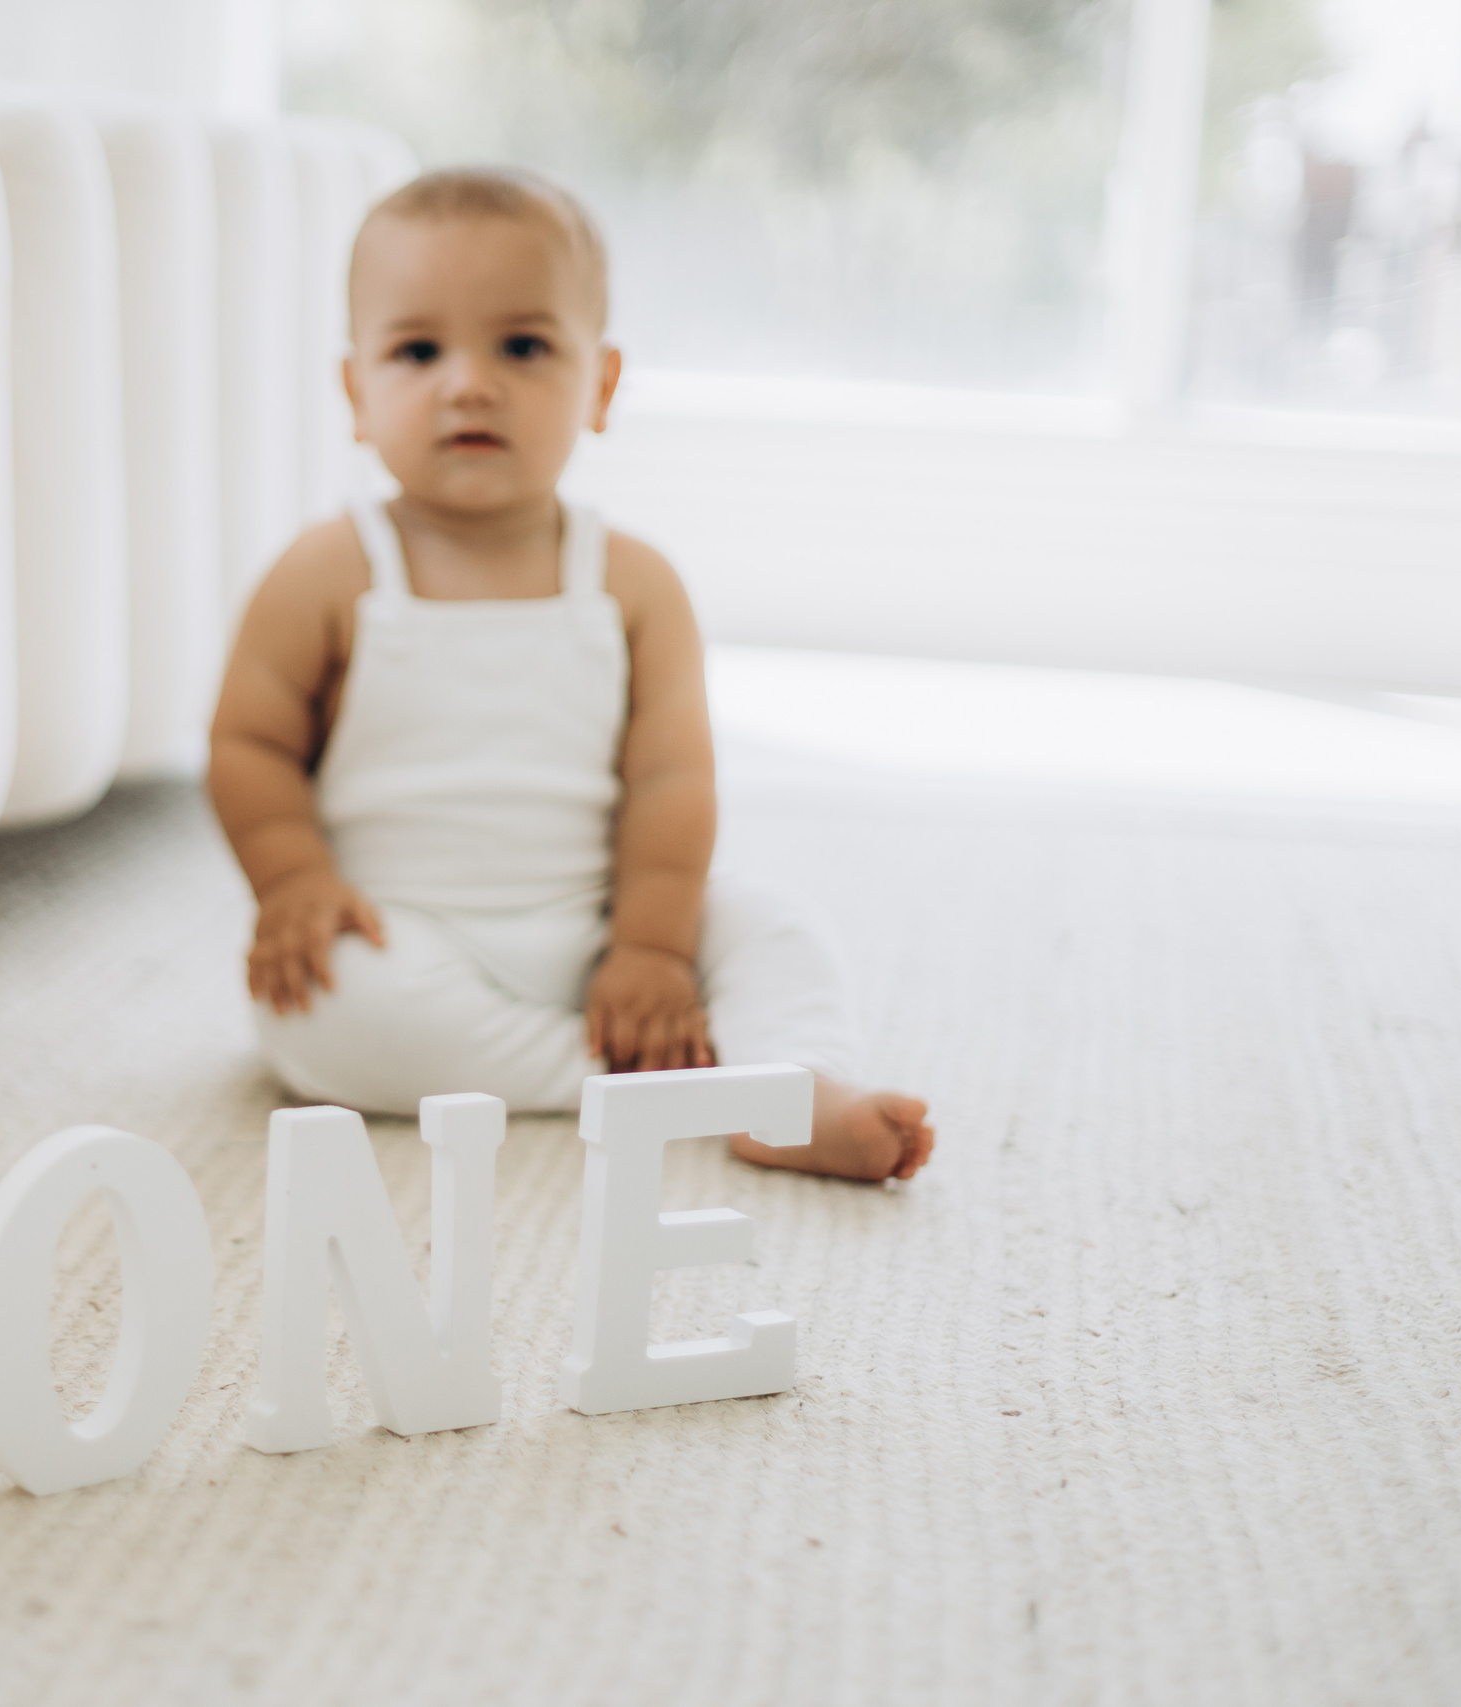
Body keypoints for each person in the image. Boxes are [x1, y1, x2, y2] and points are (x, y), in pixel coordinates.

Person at [206, 167, 934, 1181]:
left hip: (607, 921)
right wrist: (293, 880)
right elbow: (249, 745)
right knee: (328, 1014)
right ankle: (688, 1082)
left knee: (773, 924)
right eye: (417, 350)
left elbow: (672, 784)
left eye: (523, 346)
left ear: (599, 385)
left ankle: (792, 1080)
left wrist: (651, 950)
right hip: (408, 934)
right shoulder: (329, 571)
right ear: (355, 393)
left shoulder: (633, 585)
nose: (468, 382)